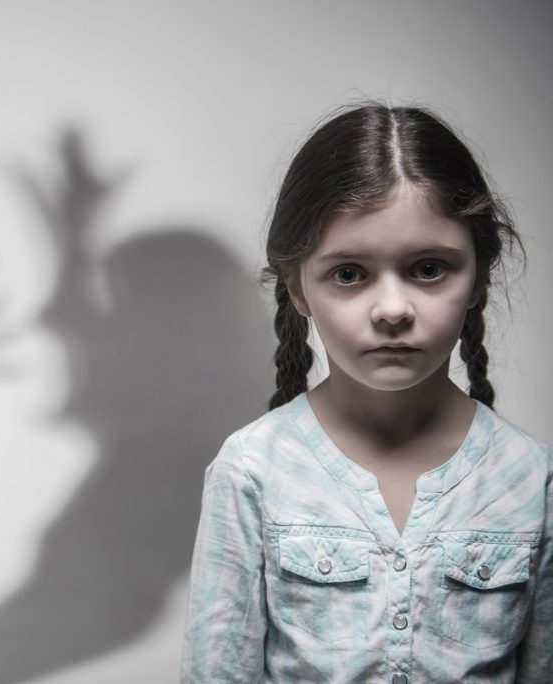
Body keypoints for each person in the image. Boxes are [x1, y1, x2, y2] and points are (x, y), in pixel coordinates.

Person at [180, 103, 552, 683]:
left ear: (479, 275)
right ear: (298, 286)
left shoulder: (532, 477)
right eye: (349, 274)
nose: (393, 310)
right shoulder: (252, 470)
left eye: (429, 268)